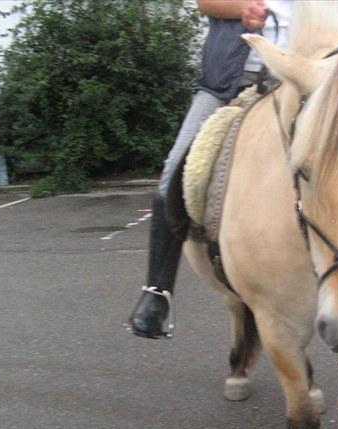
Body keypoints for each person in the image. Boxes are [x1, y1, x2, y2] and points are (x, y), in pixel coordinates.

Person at [128, 0, 291, 338]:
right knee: (175, 168)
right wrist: (243, 9)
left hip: (300, 76)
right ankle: (157, 293)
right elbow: (207, 2)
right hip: (228, 81)